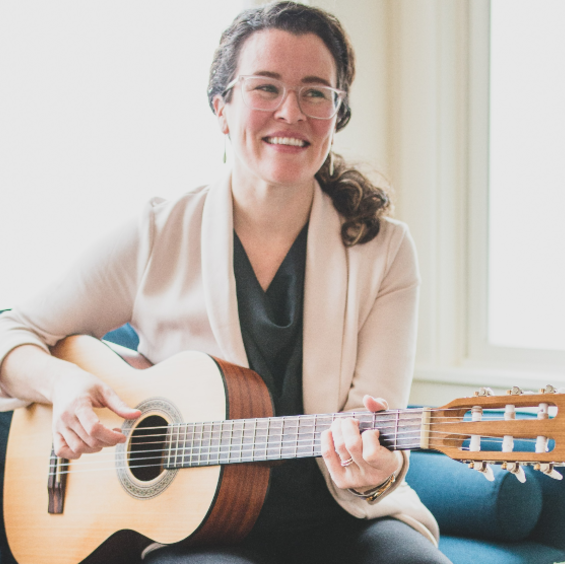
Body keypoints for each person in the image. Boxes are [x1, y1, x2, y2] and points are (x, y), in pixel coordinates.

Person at [0, 2, 451, 563]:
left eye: (315, 93)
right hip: (196, 533)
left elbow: (375, 429)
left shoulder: (384, 251)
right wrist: (61, 383)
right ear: (221, 108)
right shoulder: (155, 235)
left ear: (337, 114)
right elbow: (11, 332)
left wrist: (375, 470)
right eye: (266, 87)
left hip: (343, 520)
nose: (291, 111)